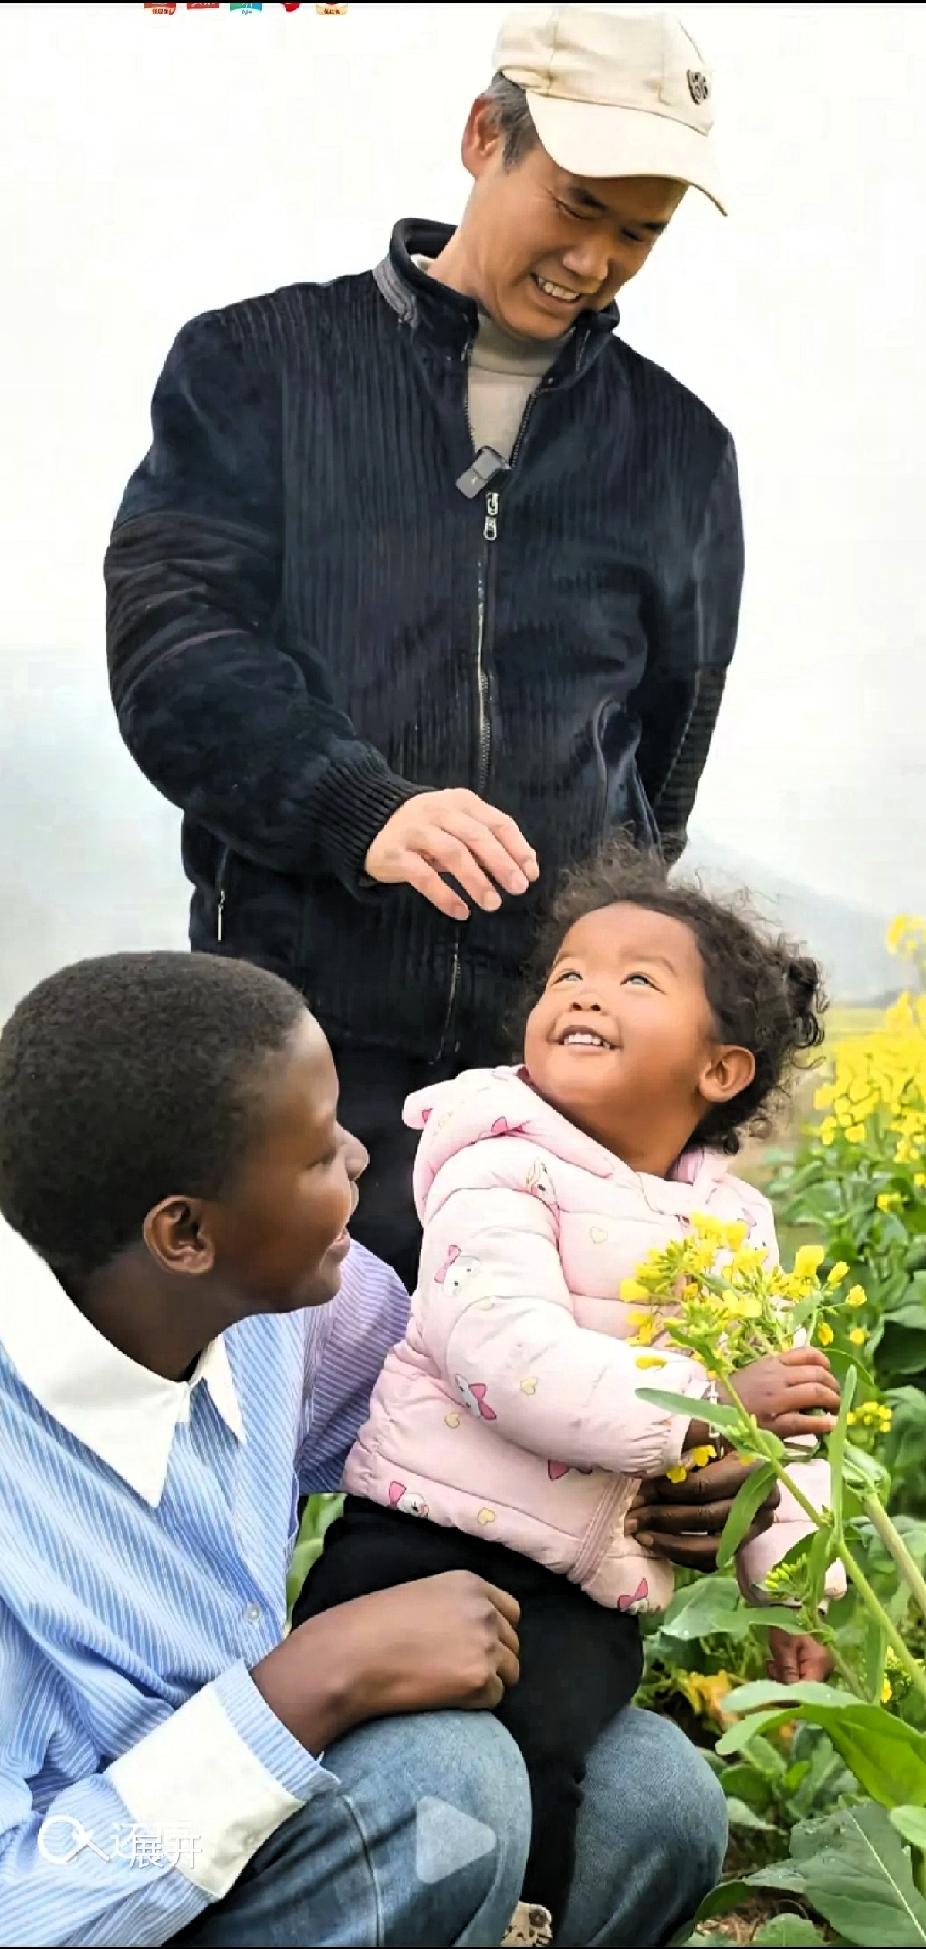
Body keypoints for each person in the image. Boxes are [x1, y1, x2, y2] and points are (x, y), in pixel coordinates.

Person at [104, 6, 745, 1294]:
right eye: (575, 202)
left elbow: (664, 749)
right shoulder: (254, 365)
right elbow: (174, 645)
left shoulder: (682, 451)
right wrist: (358, 807)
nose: (594, 257)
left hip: (532, 1103)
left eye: (639, 230)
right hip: (288, 1058)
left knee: (494, 1470)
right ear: (479, 137)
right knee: (251, 1455)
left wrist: (584, 963)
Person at [0, 948, 776, 1948]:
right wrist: (300, 1689)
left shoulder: (274, 1311)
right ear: (185, 1231)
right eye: (318, 1151)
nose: (361, 1159)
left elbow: (481, 1413)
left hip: (265, 1834)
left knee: (652, 1797)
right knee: (442, 1787)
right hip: (111, 1897)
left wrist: (688, 1453)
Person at [291, 844, 842, 1929]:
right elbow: (504, 1357)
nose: (585, 988)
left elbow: (783, 1428)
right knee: (457, 1788)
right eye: (568, 974)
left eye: (639, 978)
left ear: (719, 1069)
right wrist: (712, 1397)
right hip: (422, 1544)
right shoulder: (497, 1158)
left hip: (587, 1588)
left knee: (557, 1769)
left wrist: (792, 1574)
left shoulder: (734, 1226)